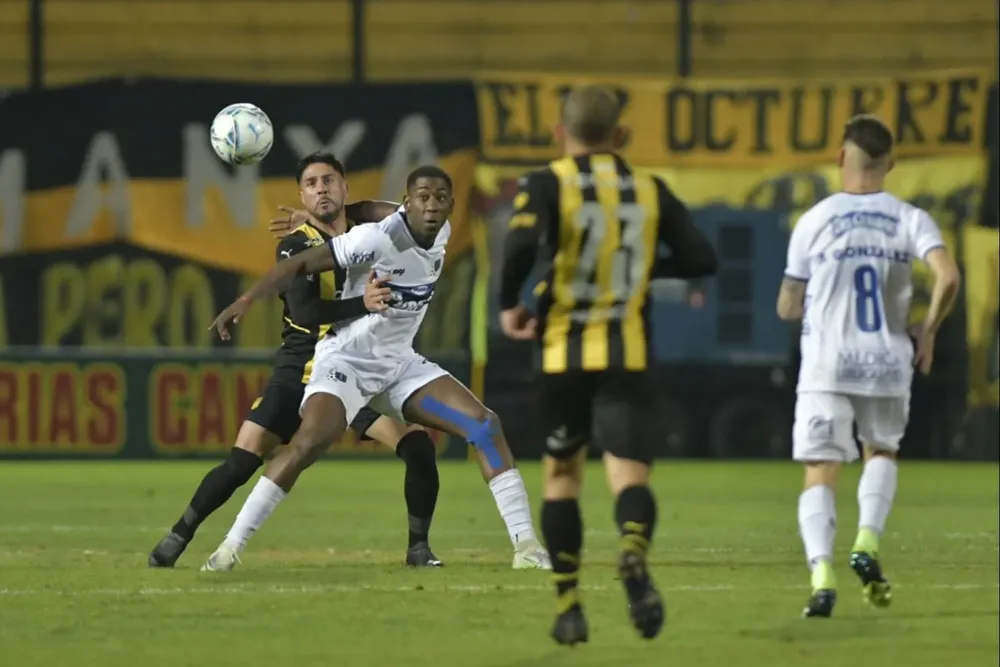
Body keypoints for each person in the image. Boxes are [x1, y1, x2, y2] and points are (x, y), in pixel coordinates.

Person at [202, 165, 551, 572]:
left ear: (452, 205)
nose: (432, 205)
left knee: (484, 426)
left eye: (440, 198)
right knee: (310, 442)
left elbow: (367, 205)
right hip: (345, 361)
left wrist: (332, 211)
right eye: (422, 196)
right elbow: (296, 266)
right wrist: (244, 302)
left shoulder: (443, 231)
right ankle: (229, 547)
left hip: (398, 365)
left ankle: (526, 546)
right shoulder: (374, 238)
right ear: (407, 202)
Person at [498, 85, 718, 646]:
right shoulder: (650, 189)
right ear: (620, 136)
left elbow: (520, 247)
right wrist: (642, 266)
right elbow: (701, 259)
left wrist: (509, 304)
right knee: (628, 472)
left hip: (562, 355)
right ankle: (632, 549)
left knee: (562, 477)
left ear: (559, 133)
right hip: (629, 355)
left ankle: (569, 604)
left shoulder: (547, 182)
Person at [149, 152, 444, 569]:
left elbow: (409, 209)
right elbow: (305, 314)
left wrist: (358, 213)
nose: (321, 188)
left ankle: (418, 549)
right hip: (300, 365)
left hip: (356, 367)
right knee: (243, 459)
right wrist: (363, 303)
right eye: (311, 183)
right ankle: (179, 535)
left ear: (345, 188)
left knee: (417, 446)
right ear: (301, 196)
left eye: (329, 181)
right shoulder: (296, 245)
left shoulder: (373, 231)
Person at [777, 115, 960, 618]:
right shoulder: (909, 218)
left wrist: (810, 297)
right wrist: (929, 329)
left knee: (821, 470)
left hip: (826, 363)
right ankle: (866, 542)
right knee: (881, 451)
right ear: (890, 165)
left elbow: (787, 306)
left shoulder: (813, 220)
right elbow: (948, 275)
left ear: (841, 158)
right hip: (886, 360)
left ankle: (821, 579)